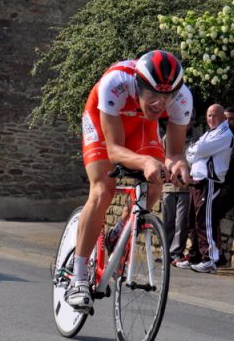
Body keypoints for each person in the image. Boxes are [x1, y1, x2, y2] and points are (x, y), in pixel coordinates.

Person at [66, 50, 193, 312]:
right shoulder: (116, 82)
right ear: (139, 84)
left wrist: (178, 164)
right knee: (103, 189)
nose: (161, 102)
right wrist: (145, 162)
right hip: (105, 121)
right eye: (155, 94)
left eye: (167, 96)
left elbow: (175, 153)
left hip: (142, 124)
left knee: (156, 180)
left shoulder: (182, 99)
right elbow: (113, 150)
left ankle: (121, 229)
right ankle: (78, 278)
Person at [175, 104, 233, 274]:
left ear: (223, 117)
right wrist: (196, 152)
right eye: (208, 115)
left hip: (209, 182)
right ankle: (195, 256)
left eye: (214, 115)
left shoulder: (224, 133)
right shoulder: (209, 133)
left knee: (203, 221)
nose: (210, 119)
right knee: (192, 220)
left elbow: (198, 149)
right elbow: (189, 153)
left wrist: (197, 151)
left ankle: (210, 259)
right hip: (197, 181)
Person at [162, 110, 200, 266]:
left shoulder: (197, 139)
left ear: (193, 121)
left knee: (181, 222)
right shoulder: (167, 138)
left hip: (186, 186)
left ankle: (176, 253)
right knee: (168, 221)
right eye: (185, 118)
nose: (188, 122)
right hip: (169, 186)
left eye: (191, 119)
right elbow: (163, 157)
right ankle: (166, 253)